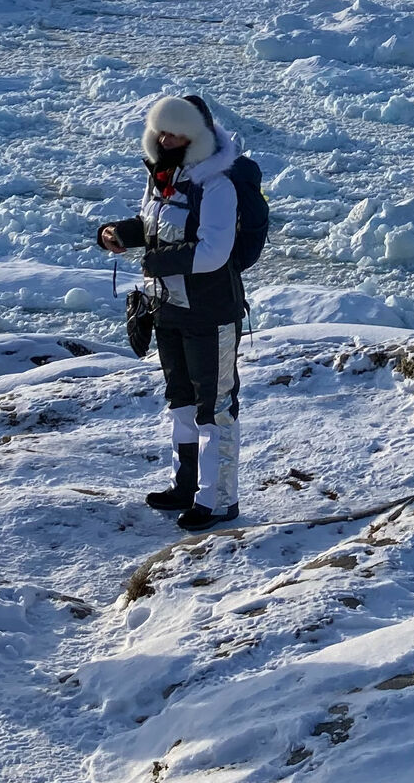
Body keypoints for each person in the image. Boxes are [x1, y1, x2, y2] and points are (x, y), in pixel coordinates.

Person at [99, 94, 264, 532]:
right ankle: (185, 486)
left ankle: (219, 500)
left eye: (176, 131)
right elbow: (152, 226)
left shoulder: (218, 184)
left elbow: (213, 251)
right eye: (161, 130)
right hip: (168, 307)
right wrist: (117, 232)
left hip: (210, 312)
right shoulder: (162, 177)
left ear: (198, 135)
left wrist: (159, 262)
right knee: (182, 403)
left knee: (215, 407)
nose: (166, 138)